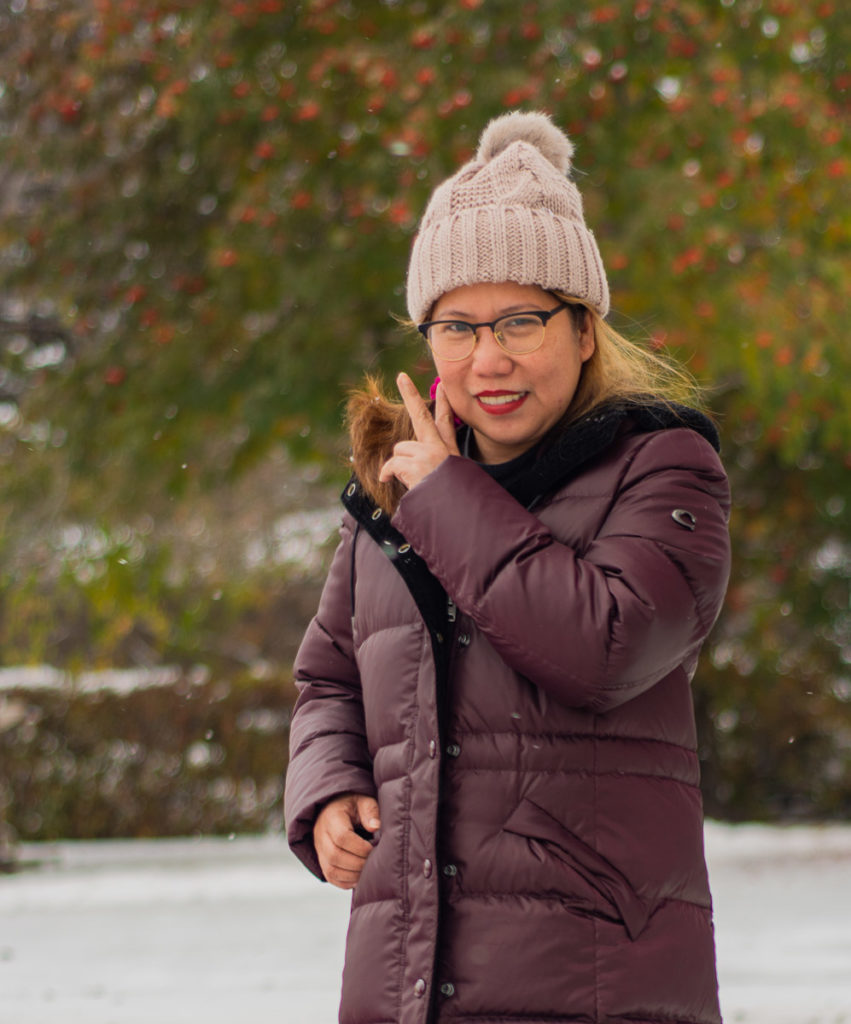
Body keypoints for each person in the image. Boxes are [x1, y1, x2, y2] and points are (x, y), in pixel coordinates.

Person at [285, 110, 731, 1024]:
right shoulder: (396, 486)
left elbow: (602, 649)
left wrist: (445, 497)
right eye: (455, 327)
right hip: (408, 974)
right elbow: (330, 672)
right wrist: (327, 791)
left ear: (581, 330)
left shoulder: (663, 464)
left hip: (589, 975)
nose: (487, 359)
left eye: (520, 321)